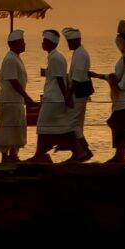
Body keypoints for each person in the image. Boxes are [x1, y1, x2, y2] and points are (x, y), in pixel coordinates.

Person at [0, 29, 30, 164]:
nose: (25, 44)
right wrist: (26, 97)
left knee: (17, 126)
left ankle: (14, 154)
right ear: (15, 44)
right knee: (7, 126)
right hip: (10, 99)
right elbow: (13, 80)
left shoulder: (16, 58)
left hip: (16, 100)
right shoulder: (10, 59)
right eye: (22, 42)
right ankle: (5, 155)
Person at [37, 28, 75, 161]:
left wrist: (66, 97)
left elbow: (60, 79)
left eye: (44, 41)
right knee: (57, 126)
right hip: (53, 97)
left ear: (50, 42)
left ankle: (39, 154)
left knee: (42, 126)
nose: (42, 43)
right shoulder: (54, 57)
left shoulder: (56, 58)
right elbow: (55, 75)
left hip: (54, 98)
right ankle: (41, 154)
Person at [64, 28, 94, 154]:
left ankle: (82, 151)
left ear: (78, 41)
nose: (69, 44)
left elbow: (77, 77)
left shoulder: (81, 54)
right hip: (79, 91)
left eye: (71, 41)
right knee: (77, 124)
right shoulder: (78, 52)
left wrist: (69, 95)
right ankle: (81, 151)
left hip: (78, 92)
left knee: (71, 124)